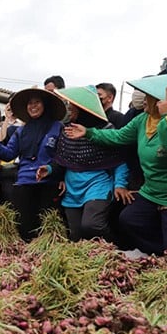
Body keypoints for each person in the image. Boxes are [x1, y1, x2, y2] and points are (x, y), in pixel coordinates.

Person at [65, 74, 167, 256]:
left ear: (163, 100)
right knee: (130, 219)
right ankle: (161, 254)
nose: (143, 100)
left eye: (149, 96)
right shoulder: (143, 120)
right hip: (153, 191)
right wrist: (88, 132)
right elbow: (118, 137)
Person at [0, 87, 66, 240]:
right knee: (25, 228)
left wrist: (51, 170)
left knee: (46, 228)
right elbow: (8, 154)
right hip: (24, 183)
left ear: (45, 105)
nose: (33, 106)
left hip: (48, 184)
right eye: (30, 103)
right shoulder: (21, 131)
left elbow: (63, 157)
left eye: (37, 102)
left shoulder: (58, 127)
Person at [54, 87, 129, 242]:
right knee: (75, 235)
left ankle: (115, 250)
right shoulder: (66, 129)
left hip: (97, 185)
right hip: (72, 188)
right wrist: (49, 170)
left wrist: (119, 184)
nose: (69, 108)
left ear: (83, 108)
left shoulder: (106, 130)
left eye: (72, 105)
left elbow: (119, 161)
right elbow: (61, 160)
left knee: (92, 225)